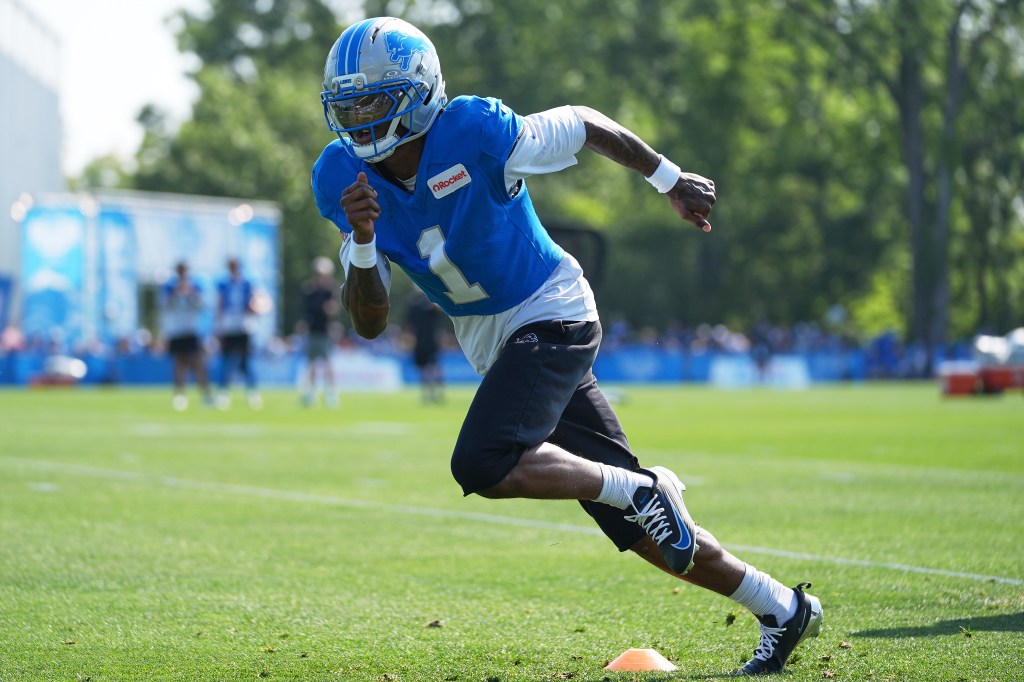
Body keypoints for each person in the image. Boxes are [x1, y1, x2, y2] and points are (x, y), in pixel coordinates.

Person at [311, 17, 822, 676]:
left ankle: (637, 488)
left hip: (552, 311)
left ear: (416, 91)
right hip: (496, 344)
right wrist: (361, 239)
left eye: (371, 101)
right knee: (647, 535)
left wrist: (667, 178)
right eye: (346, 105)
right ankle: (782, 608)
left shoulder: (475, 130)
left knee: (483, 462)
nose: (357, 120)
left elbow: (581, 121)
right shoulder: (340, 179)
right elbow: (370, 321)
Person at [160, 260, 212, 410]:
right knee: (179, 363)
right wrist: (176, 293)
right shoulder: (170, 286)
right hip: (176, 330)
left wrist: (189, 294)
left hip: (191, 329)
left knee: (198, 363)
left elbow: (201, 305)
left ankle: (205, 393)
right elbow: (165, 306)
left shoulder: (195, 285)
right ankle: (180, 395)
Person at [215, 257, 261, 409]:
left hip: (243, 325)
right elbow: (220, 305)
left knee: (246, 361)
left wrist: (254, 310)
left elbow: (254, 302)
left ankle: (252, 392)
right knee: (226, 361)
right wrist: (218, 327)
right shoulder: (223, 284)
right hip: (229, 326)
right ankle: (223, 393)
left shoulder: (247, 283)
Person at [300, 256, 340, 407]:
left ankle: (331, 394)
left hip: (325, 331)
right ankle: (311, 394)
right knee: (311, 364)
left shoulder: (330, 290)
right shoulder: (309, 290)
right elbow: (307, 310)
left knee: (328, 363)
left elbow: (333, 310)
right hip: (312, 330)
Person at [405, 291, 446, 403]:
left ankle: (435, 394)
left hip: (428, 343)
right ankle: (429, 395)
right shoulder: (416, 308)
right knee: (426, 370)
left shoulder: (428, 308)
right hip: (422, 343)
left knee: (431, 369)